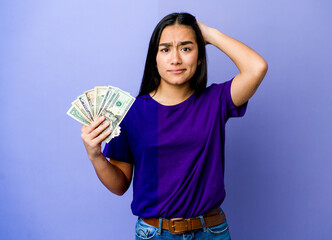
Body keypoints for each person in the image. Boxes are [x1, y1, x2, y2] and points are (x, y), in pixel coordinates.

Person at [81, 12, 267, 240]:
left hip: (211, 232)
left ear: (200, 57)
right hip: (155, 234)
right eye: (165, 49)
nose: (176, 59)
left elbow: (256, 68)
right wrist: (95, 155)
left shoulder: (215, 101)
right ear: (154, 58)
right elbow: (120, 185)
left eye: (186, 48)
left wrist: (210, 34)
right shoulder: (130, 112)